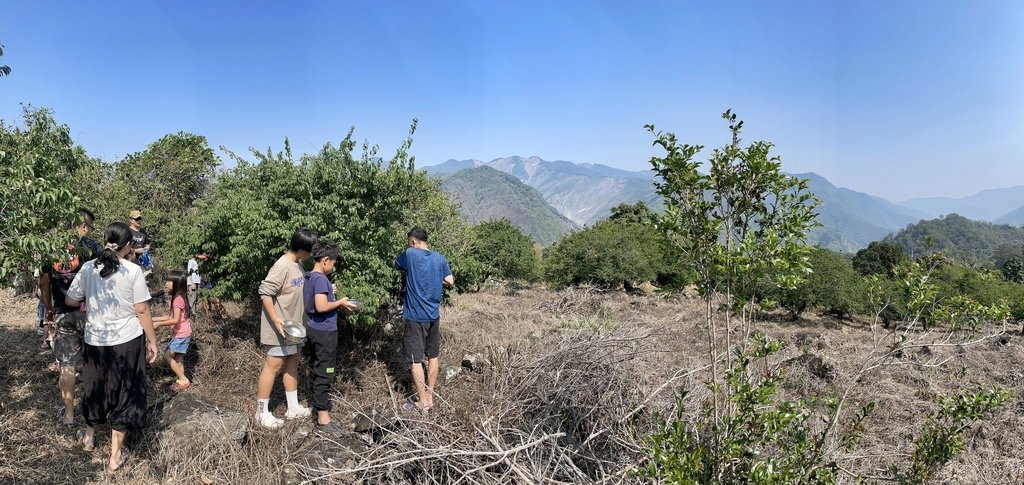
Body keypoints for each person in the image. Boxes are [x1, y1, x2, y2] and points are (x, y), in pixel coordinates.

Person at [65, 222, 158, 473]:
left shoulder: (87, 269)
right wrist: (152, 341)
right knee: (127, 390)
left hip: (95, 340)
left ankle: (89, 437)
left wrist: (90, 299)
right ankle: (115, 456)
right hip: (127, 341)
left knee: (95, 387)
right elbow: (142, 309)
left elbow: (71, 299)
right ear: (128, 245)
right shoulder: (131, 270)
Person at [39, 208, 102, 429]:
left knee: (66, 364)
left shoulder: (52, 248)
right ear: (84, 226)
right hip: (90, 312)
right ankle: (93, 411)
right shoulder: (92, 248)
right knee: (92, 361)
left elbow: (45, 280)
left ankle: (68, 415)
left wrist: (49, 308)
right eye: (90, 227)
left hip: (62, 312)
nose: (90, 231)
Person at [255, 228, 317, 429]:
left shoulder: (298, 263)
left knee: (292, 363)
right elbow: (265, 292)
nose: (311, 255)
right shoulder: (281, 266)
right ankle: (261, 413)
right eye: (309, 251)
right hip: (280, 328)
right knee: (272, 367)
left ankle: (293, 407)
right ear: (301, 249)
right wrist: (276, 320)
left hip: (295, 327)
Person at [393, 227, 454, 414]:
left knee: (415, 360)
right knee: (433, 356)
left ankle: (422, 402)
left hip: (415, 317)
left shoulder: (410, 254)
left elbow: (395, 263)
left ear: (413, 242)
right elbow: (450, 280)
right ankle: (430, 396)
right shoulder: (440, 258)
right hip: (434, 316)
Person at [303, 241, 356, 436]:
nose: (333, 266)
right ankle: (323, 419)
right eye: (333, 263)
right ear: (325, 260)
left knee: (317, 369)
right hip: (324, 332)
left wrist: (331, 295)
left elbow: (318, 301)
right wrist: (341, 302)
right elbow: (322, 306)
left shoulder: (310, 276)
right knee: (326, 371)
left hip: (313, 328)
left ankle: (319, 405)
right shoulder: (320, 280)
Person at [153, 270, 192, 395]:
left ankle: (183, 379)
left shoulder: (177, 300)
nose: (166, 283)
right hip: (184, 333)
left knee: (167, 355)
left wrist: (158, 324)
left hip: (181, 334)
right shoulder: (178, 298)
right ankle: (181, 381)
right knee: (178, 360)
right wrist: (154, 319)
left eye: (169, 281)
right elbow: (170, 316)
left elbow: (175, 320)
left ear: (176, 284)